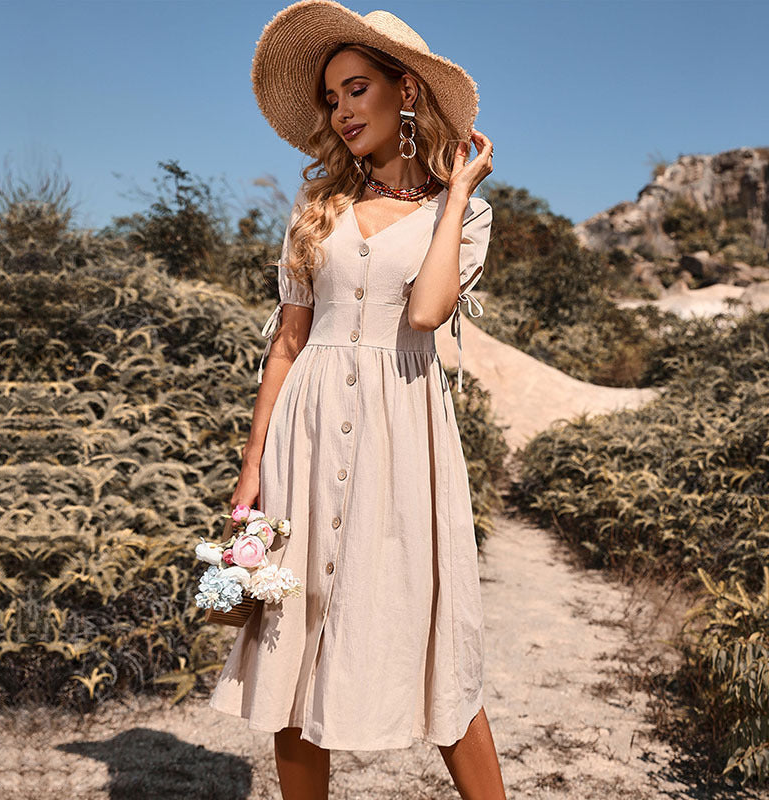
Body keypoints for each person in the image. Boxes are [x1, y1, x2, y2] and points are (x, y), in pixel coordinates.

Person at [209, 2, 507, 798]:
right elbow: (287, 343)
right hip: (304, 437)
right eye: (331, 97)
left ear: (404, 91)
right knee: (292, 649)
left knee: (437, 645)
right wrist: (252, 468)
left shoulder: (465, 214)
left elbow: (427, 313)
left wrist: (456, 192)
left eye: (356, 89)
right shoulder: (317, 211)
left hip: (403, 440)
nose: (341, 110)